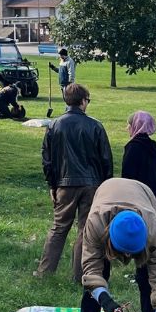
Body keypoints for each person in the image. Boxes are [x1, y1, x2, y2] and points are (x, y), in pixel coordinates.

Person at [68, 177, 156, 312]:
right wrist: (105, 300)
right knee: (100, 275)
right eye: (122, 252)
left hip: (143, 194)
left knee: (146, 280)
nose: (126, 258)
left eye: (132, 253)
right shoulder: (95, 223)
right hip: (107, 191)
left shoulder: (153, 230)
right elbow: (91, 270)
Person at [35, 82, 112, 282]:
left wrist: (52, 185)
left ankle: (45, 272)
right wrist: (106, 186)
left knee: (59, 228)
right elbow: (106, 160)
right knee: (85, 231)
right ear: (83, 101)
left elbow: (48, 160)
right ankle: (80, 275)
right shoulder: (95, 126)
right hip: (91, 185)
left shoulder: (54, 125)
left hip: (64, 184)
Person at [122, 111, 156, 205]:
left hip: (137, 193)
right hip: (151, 191)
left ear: (135, 126)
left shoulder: (133, 146)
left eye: (129, 125)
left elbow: (127, 173)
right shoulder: (152, 146)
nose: (127, 128)